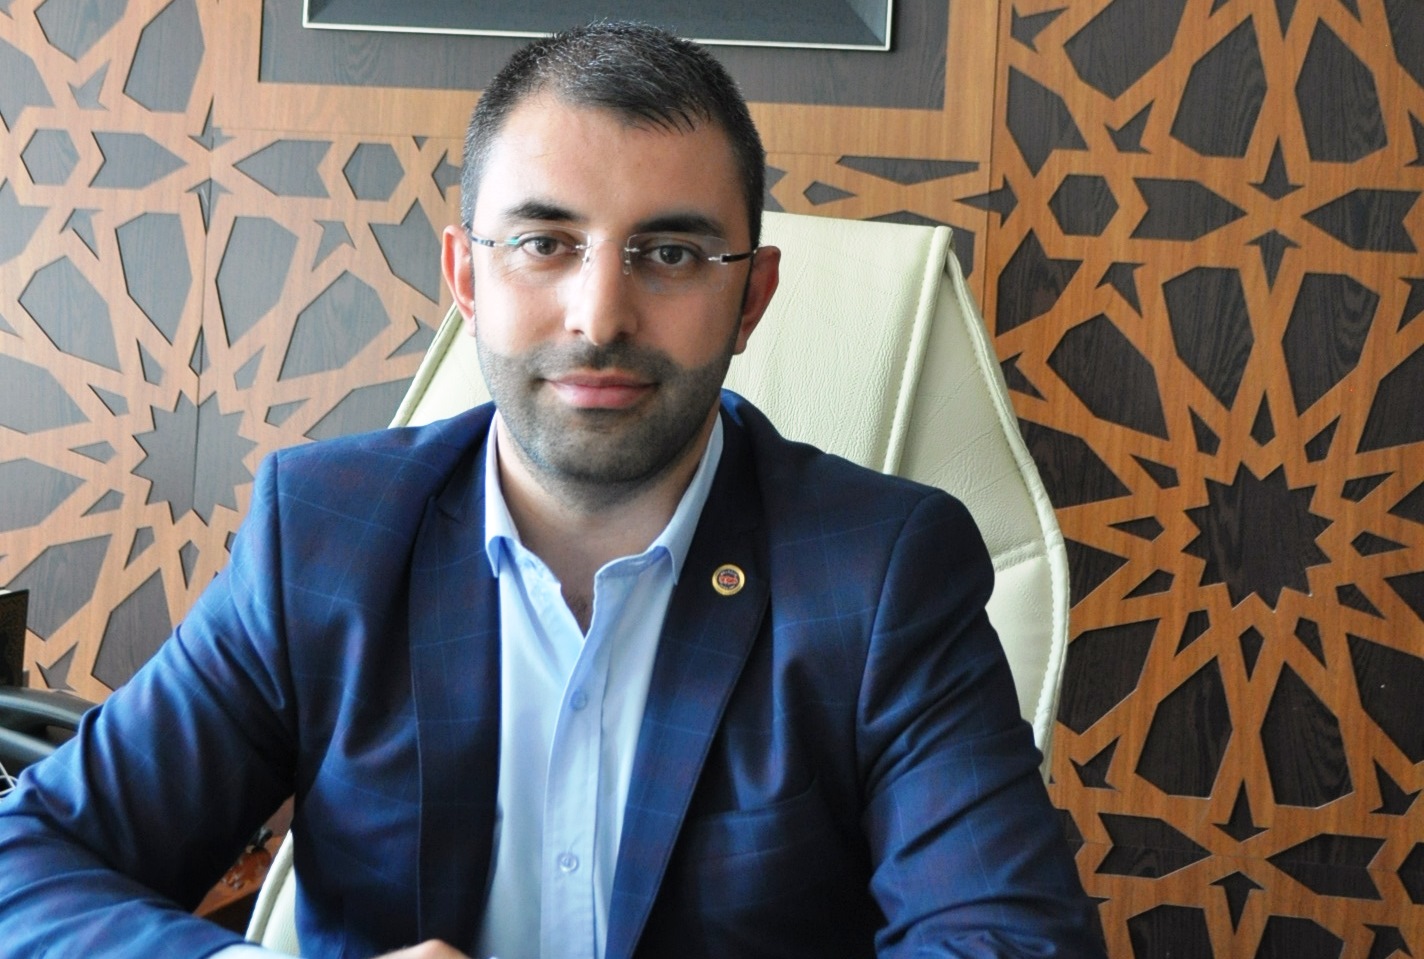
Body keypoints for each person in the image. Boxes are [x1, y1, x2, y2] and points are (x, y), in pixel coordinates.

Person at [0, 21, 1104, 959]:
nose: (599, 315)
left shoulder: (882, 572)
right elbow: (32, 857)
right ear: (466, 276)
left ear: (751, 298)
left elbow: (1011, 939)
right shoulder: (323, 538)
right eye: (543, 242)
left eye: (670, 254)